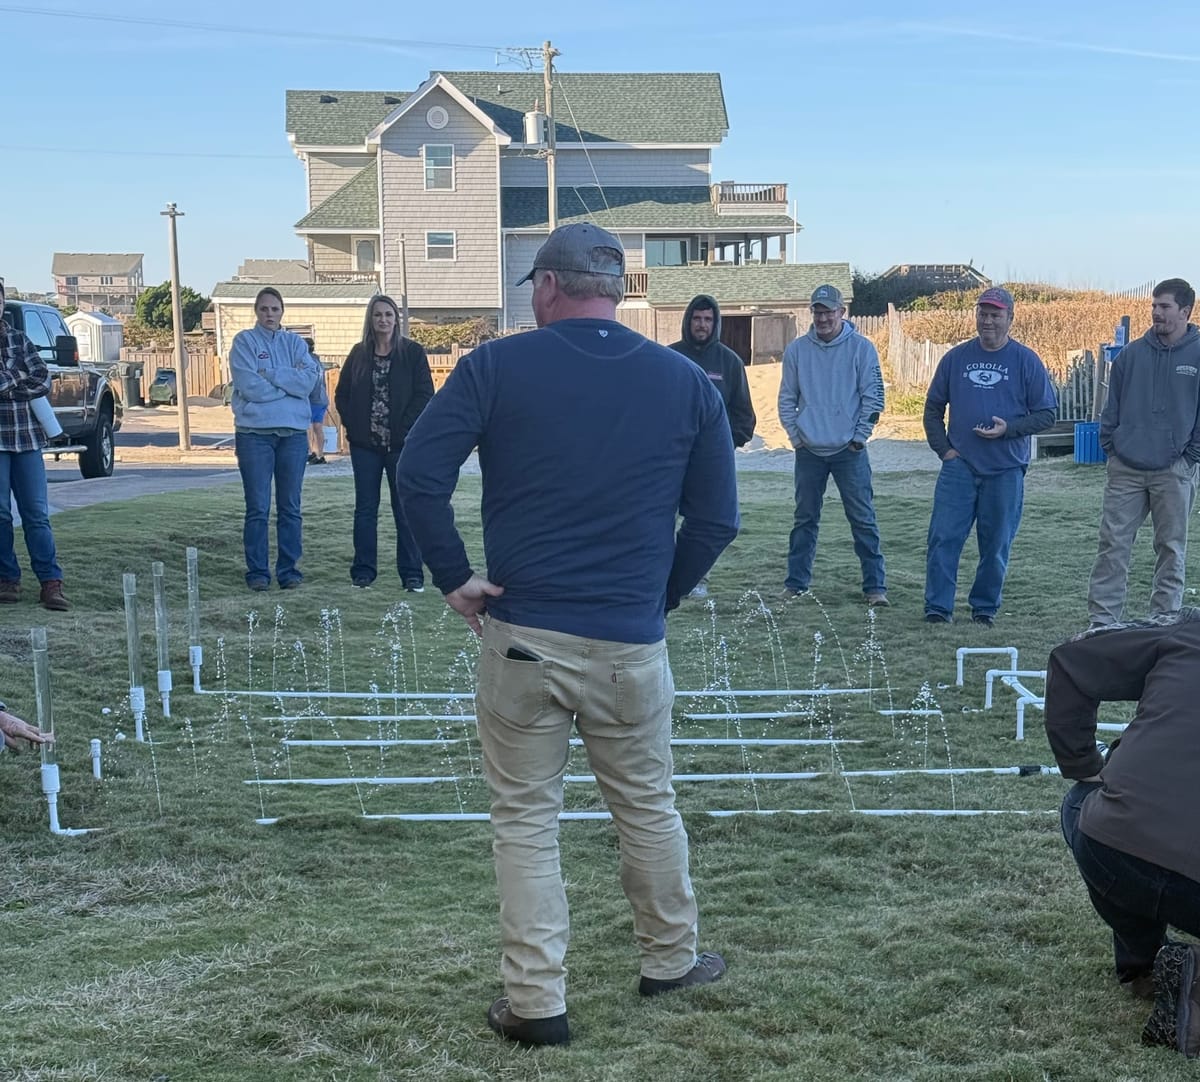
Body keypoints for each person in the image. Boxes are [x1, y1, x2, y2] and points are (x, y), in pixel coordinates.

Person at [396, 223, 738, 1047]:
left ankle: (537, 1002)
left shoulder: (494, 366)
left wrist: (452, 576)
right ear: (617, 291)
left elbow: (417, 473)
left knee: (524, 820)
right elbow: (717, 519)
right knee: (648, 806)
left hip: (522, 635)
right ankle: (669, 959)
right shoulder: (685, 380)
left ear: (546, 286)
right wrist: (654, 598)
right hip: (628, 641)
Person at [1044, 612, 1200, 1056]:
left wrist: (1083, 766)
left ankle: (1147, 967)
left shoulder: (1188, 632)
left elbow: (1073, 659)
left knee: (1083, 802)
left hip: (1113, 847)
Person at [922, 287, 1057, 627]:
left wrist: (1008, 428)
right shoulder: (955, 358)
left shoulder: (1025, 361)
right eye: (983, 313)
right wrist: (946, 452)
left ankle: (984, 608)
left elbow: (1047, 415)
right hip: (960, 467)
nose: (988, 320)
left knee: (995, 544)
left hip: (1006, 469)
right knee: (943, 538)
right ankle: (938, 608)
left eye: (996, 314)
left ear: (1010, 318)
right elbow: (933, 409)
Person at [1087, 279, 1200, 629]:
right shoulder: (1131, 355)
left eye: (1164, 307)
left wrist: (1188, 458)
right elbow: (1111, 408)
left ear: (1185, 311)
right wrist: (1113, 450)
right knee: (1113, 547)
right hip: (1126, 470)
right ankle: (1102, 624)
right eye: (1153, 306)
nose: (1156, 313)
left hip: (1173, 471)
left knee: (1170, 549)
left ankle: (1163, 623)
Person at [777, 284, 887, 606]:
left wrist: (858, 439)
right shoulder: (797, 350)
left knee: (863, 518)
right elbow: (786, 398)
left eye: (828, 311)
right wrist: (797, 439)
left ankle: (875, 588)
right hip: (809, 451)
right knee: (804, 520)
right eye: (817, 311)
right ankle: (796, 584)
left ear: (842, 312)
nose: (823, 317)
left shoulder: (861, 349)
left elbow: (874, 397)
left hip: (848, 453)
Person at [334, 295, 434, 591]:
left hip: (401, 446)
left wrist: (405, 429)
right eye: (378, 315)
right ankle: (363, 571)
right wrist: (353, 424)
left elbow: (424, 394)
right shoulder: (358, 354)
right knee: (365, 509)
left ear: (396, 319)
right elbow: (342, 394)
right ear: (371, 319)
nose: (383, 320)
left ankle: (412, 573)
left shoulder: (412, 353)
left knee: (404, 508)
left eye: (388, 315)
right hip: (365, 447)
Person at [228, 287, 322, 591]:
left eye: (275, 309)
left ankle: (289, 571)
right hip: (255, 436)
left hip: (293, 436)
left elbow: (309, 381)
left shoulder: (295, 343)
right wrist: (287, 386)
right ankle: (257, 573)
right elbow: (248, 385)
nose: (270, 314)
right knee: (257, 506)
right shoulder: (244, 342)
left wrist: (270, 373)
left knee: (290, 506)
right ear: (257, 311)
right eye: (264, 309)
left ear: (283, 312)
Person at [669, 294, 755, 599]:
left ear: (716, 323)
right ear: (687, 321)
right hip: (672, 457)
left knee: (705, 520)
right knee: (664, 515)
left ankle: (696, 578)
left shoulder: (729, 362)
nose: (702, 325)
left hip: (711, 462)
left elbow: (744, 416)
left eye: (708, 319)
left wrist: (722, 445)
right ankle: (661, 571)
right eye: (696, 318)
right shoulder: (669, 358)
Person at [0, 278, 69, 611]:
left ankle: (51, 583)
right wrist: (18, 376)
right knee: (0, 515)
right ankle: (7, 579)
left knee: (36, 515)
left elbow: (42, 379)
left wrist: (9, 380)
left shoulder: (18, 339)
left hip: (26, 438)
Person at [303, 337, 328, 465]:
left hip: (313, 398)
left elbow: (310, 381)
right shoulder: (318, 361)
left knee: (307, 426)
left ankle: (310, 453)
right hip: (322, 398)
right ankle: (320, 454)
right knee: (318, 426)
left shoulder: (307, 361)